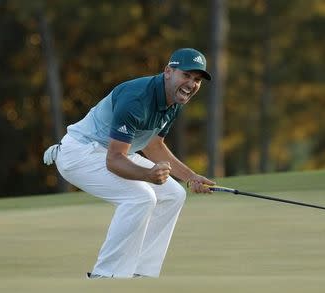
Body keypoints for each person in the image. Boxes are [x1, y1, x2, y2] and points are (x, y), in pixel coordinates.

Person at [43, 48, 216, 279]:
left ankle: (140, 273)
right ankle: (105, 276)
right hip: (80, 154)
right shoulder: (136, 99)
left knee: (173, 194)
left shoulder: (174, 100)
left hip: (112, 152)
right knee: (141, 197)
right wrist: (147, 176)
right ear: (168, 71)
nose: (191, 84)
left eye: (197, 80)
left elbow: (153, 145)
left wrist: (190, 177)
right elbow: (114, 160)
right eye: (186, 75)